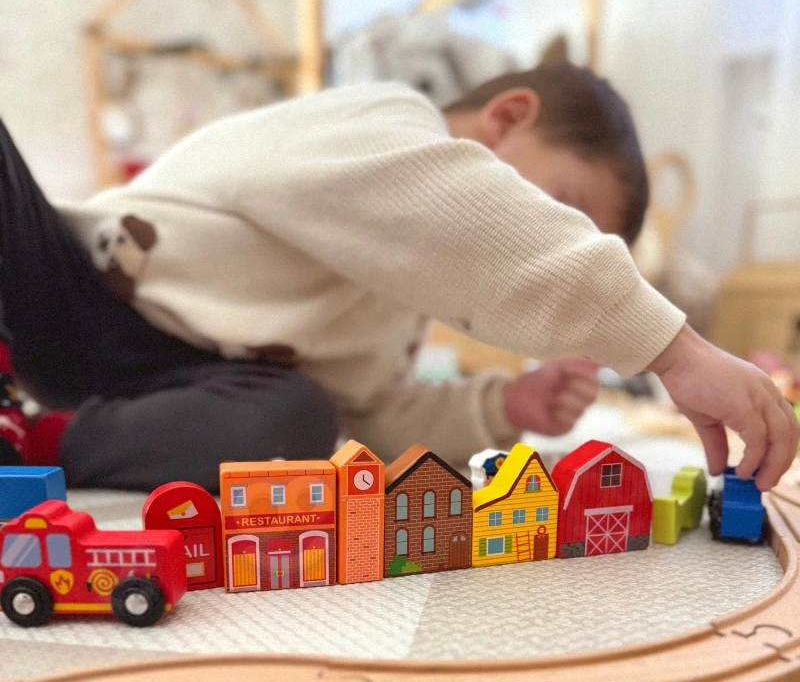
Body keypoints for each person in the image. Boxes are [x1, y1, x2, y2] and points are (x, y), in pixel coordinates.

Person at [0, 63, 796, 492]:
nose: (546, 229)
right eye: (562, 209)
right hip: (77, 291)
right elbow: (468, 214)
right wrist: (674, 348)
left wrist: (502, 406)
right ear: (506, 118)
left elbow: (370, 422)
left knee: (303, 420)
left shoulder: (400, 299)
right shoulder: (384, 123)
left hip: (163, 386)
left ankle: (39, 440)